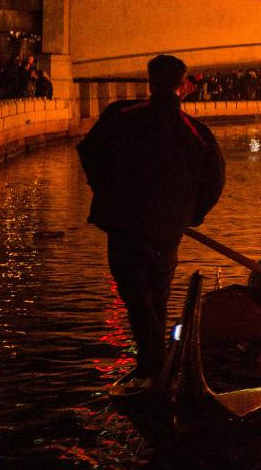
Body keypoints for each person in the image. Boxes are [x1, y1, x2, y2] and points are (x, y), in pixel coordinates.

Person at [77, 54, 225, 383]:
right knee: (156, 297)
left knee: (137, 299)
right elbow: (214, 183)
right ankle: (156, 366)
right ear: (183, 86)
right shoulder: (197, 134)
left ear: (149, 81)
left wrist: (105, 192)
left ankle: (151, 366)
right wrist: (190, 215)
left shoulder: (120, 116)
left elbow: (89, 152)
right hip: (167, 231)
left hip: (124, 226)